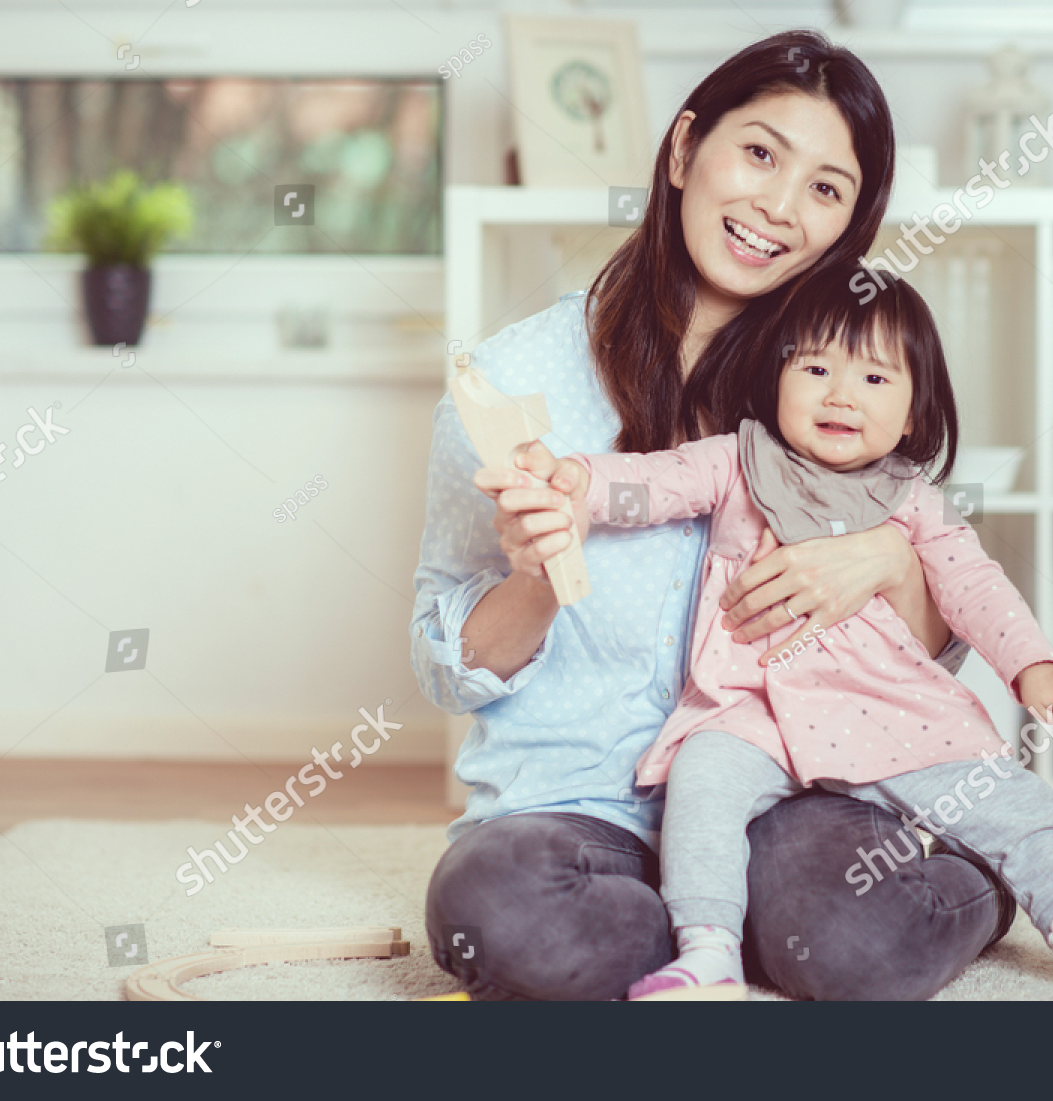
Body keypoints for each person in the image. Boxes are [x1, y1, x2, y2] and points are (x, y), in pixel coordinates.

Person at [412, 30, 1017, 1002]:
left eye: (826, 188)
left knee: (851, 946)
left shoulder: (841, 392)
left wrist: (884, 561)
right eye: (761, 153)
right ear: (687, 148)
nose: (777, 207)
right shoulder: (515, 382)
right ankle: (710, 931)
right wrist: (535, 575)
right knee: (505, 910)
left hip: (794, 780)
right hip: (575, 804)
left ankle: (981, 873)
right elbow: (444, 662)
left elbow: (926, 641)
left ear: (850, 227)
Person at [520, 267, 1053, 1001]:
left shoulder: (913, 501)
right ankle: (707, 948)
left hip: (892, 710)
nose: (840, 393)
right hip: (753, 708)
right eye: (815, 367)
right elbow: (653, 482)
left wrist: (1036, 667)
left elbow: (978, 589)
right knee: (701, 784)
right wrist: (576, 483)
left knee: (1014, 798)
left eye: (875, 377)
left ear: (917, 411)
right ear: (776, 377)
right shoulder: (738, 461)